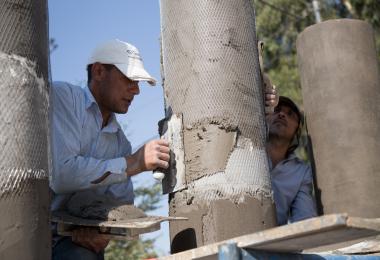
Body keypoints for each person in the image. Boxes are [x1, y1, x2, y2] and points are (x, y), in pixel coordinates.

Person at [50, 39, 170, 260]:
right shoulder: (64, 97)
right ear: (98, 71)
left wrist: (100, 232)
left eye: (138, 83)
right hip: (35, 236)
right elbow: (62, 176)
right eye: (129, 79)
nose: (136, 90)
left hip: (77, 246)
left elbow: (120, 207)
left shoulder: (120, 144)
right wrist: (134, 163)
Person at [266, 96, 317, 225]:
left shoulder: (302, 172)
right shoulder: (245, 152)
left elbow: (305, 219)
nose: (282, 114)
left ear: (297, 130)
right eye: (276, 110)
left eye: (290, 114)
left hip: (272, 241)